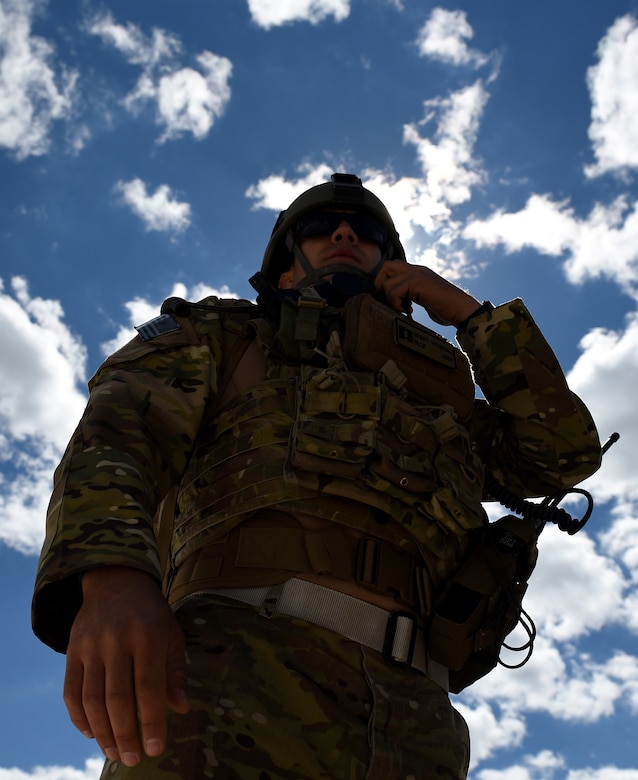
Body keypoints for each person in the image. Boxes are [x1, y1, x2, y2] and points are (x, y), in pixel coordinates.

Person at [32, 173, 602, 779]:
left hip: (416, 717)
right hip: (235, 669)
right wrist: (113, 582)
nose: (345, 232)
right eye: (318, 228)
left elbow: (561, 454)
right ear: (284, 273)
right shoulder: (228, 336)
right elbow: (118, 434)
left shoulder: (447, 405)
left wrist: (470, 316)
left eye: (370, 233)